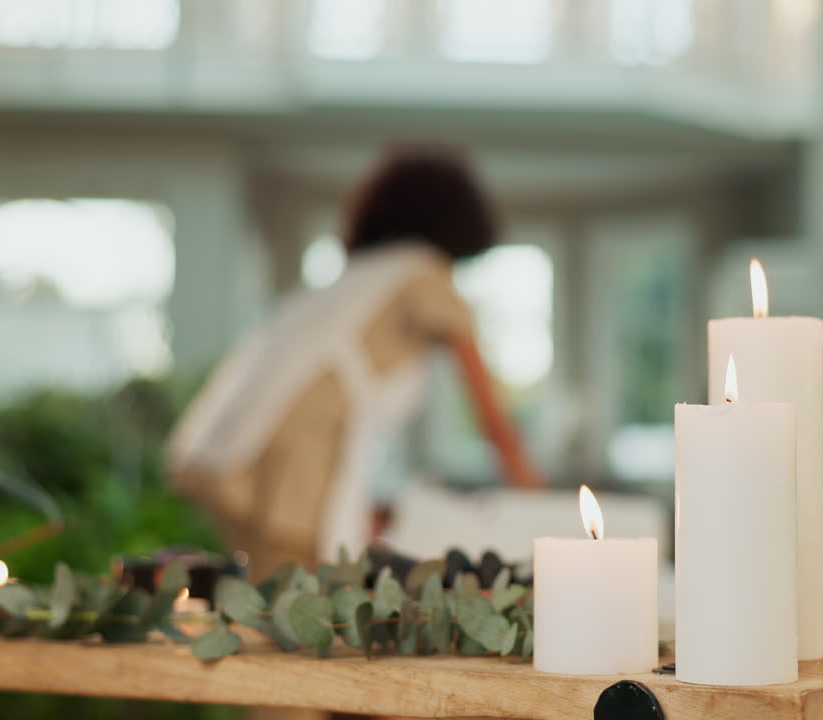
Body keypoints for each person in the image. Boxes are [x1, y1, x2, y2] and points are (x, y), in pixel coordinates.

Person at [168, 145, 544, 579]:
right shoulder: (425, 273)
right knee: (298, 614)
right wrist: (541, 507)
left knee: (271, 596)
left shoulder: (357, 278)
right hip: (293, 459)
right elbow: (492, 417)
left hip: (239, 447)